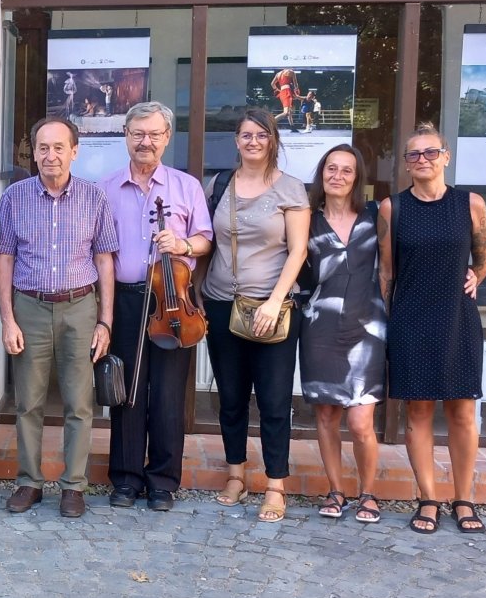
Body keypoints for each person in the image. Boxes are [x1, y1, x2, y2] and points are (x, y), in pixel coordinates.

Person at [0, 116, 117, 519]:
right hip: (29, 307)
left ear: (74, 151)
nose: (50, 155)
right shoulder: (14, 197)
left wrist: (105, 321)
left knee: (79, 404)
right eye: (43, 147)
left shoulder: (94, 198)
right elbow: (5, 259)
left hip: (80, 308)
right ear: (34, 152)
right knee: (28, 401)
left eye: (59, 147)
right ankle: (29, 481)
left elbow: (104, 259)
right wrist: (8, 319)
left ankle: (73, 486)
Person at [97, 101, 212, 512]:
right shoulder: (105, 188)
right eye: (137, 134)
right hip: (126, 299)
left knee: (166, 395)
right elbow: (100, 253)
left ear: (167, 138)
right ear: (126, 136)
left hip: (171, 302)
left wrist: (181, 245)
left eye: (154, 134)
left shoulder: (186, 187)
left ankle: (163, 480)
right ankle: (126, 479)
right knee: (127, 390)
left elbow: (204, 238)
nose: (145, 142)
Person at [378, 122, 486, 534]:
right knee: (419, 412)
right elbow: (387, 271)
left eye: (430, 152)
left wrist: (477, 276)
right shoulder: (394, 208)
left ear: (445, 157)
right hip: (411, 318)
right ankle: (428, 498)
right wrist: (392, 318)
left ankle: (464, 498)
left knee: (462, 412)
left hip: (458, 317)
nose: (422, 160)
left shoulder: (471, 204)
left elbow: (484, 256)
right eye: (414, 155)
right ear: (407, 164)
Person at [202, 108, 309, 522]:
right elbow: (208, 243)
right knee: (230, 397)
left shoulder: (290, 189)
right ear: (236, 140)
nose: (252, 142)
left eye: (261, 135)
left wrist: (273, 301)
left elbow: (298, 251)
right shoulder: (219, 184)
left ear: (272, 140)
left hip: (274, 309)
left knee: (274, 400)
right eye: (246, 135)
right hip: (221, 303)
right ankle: (235, 474)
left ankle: (275, 485)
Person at [300, 145, 386, 523]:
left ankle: (369, 492)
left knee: (361, 421)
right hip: (320, 326)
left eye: (346, 170)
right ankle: (336, 490)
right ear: (322, 175)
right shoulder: (306, 219)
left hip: (369, 326)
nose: (337, 176)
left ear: (356, 178)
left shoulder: (375, 216)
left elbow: (393, 267)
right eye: (331, 169)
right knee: (327, 416)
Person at [271, 68, 300, 133]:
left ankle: (292, 127)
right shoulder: (291, 72)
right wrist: (296, 93)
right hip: (287, 92)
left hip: (282, 92)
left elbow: (272, 84)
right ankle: (270, 123)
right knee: (286, 112)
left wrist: (277, 90)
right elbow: (296, 86)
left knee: (289, 111)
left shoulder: (278, 74)